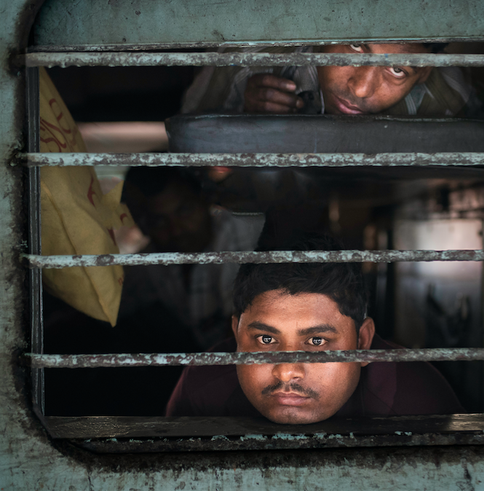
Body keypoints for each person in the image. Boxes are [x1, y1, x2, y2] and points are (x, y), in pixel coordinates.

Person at [166, 234, 463, 424]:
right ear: (236, 336)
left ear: (362, 342)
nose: (286, 371)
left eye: (317, 340)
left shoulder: (416, 404)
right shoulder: (203, 389)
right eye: (266, 339)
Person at [120, 166, 264, 351]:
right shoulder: (154, 259)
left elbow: (243, 336)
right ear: (142, 225)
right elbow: (113, 300)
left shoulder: (245, 239)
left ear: (205, 200)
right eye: (158, 221)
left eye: (185, 210)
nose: (177, 229)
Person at [181, 43, 475, 118]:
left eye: (397, 70)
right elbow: (191, 166)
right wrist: (243, 124)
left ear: (424, 72)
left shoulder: (448, 101)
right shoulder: (246, 60)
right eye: (356, 46)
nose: (360, 88)